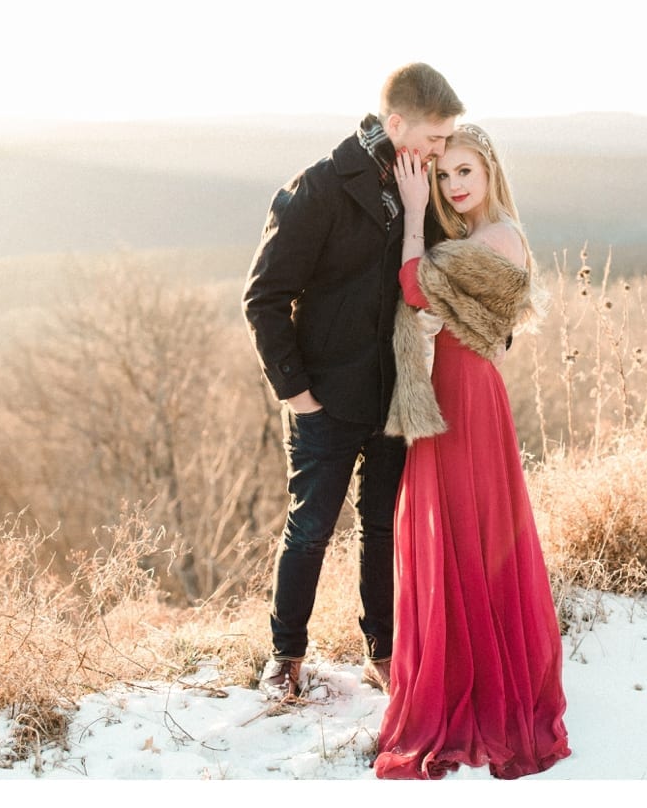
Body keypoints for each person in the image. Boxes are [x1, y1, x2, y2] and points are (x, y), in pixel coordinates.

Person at [243, 63, 465, 701]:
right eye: (433, 138)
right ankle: (285, 655)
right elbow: (263, 299)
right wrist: (297, 395)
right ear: (395, 124)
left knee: (382, 527)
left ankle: (385, 651)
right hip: (324, 398)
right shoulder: (317, 188)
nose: (441, 151)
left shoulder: (419, 183)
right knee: (310, 527)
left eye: (447, 140)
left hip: (394, 394)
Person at [374, 123, 572, 780]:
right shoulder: (478, 236)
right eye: (444, 176)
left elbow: (412, 284)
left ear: (488, 171)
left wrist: (409, 212)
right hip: (458, 385)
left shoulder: (497, 237)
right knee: (456, 527)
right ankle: (468, 666)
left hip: (465, 395)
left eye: (465, 172)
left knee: (467, 526)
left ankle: (481, 685)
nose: (455, 186)